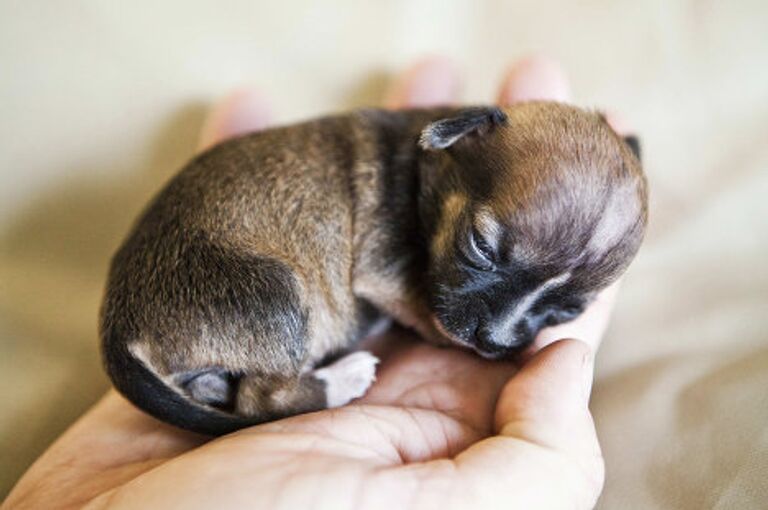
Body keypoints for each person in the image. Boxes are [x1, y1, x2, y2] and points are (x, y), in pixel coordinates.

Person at [4, 56, 632, 510]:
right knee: (268, 308)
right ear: (459, 139)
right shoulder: (391, 169)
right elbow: (375, 269)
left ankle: (205, 375)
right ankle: (268, 393)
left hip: (182, 308)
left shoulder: (459, 169)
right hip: (213, 271)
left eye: (561, 306)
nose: (498, 327)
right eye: (484, 248)